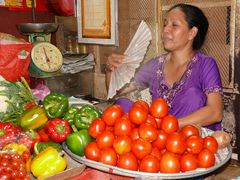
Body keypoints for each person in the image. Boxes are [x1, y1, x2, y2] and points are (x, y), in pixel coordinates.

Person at [105, 3, 223, 130]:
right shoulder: (156, 65)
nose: (165, 30)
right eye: (165, 24)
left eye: (174, 25)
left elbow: (215, 113)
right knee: (121, 105)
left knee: (192, 95)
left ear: (192, 33)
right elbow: (118, 91)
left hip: (191, 140)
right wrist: (111, 70)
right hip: (160, 139)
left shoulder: (206, 64)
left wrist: (168, 126)